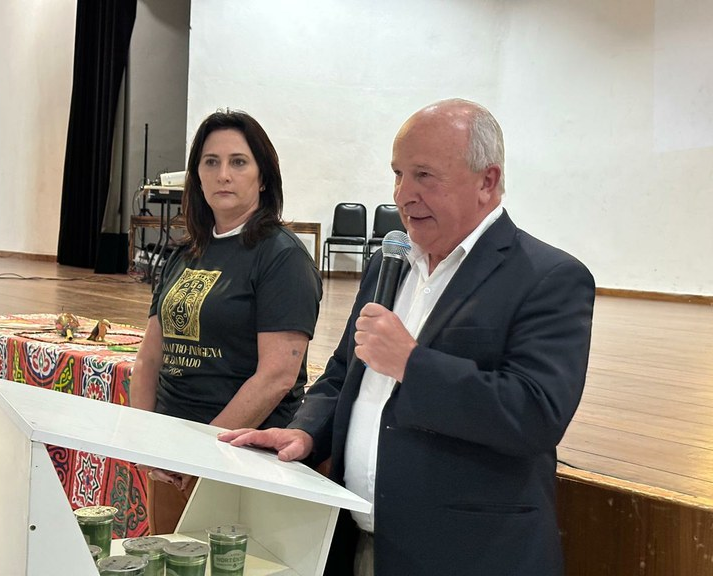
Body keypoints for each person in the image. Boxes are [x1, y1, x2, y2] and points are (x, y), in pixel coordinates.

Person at [219, 98, 595, 575]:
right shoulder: (390, 263)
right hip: (360, 543)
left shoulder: (548, 277)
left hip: (467, 556)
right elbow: (343, 374)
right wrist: (307, 431)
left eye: (424, 175)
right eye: (398, 174)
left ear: (488, 181)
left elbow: (534, 414)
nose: (403, 194)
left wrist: (412, 365)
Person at [130, 109, 322, 535]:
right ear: (196, 176)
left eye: (238, 162)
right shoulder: (184, 254)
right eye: (211, 162)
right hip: (172, 455)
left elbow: (276, 377)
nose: (223, 175)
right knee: (169, 558)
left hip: (238, 457)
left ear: (263, 177)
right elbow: (148, 359)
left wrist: (201, 453)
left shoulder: (282, 257)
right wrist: (145, 441)